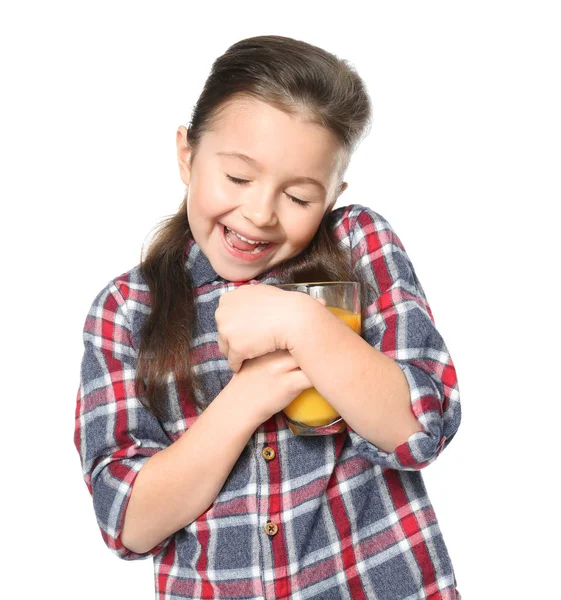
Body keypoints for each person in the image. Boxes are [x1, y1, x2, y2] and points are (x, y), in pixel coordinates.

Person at [74, 34, 462, 600]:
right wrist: (248, 395)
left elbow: (420, 430)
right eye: (237, 178)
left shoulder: (359, 245)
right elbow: (125, 520)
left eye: (299, 198)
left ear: (332, 196)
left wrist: (302, 325)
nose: (259, 214)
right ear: (187, 153)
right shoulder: (127, 310)